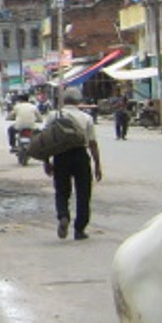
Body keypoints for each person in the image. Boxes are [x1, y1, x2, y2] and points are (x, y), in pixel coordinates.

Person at [43, 86, 102, 241]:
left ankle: (63, 216)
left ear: (64, 100)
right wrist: (97, 165)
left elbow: (45, 141)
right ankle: (79, 229)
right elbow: (92, 143)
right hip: (80, 156)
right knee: (83, 193)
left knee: (61, 191)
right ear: (79, 101)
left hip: (60, 156)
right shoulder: (86, 118)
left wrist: (46, 161)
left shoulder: (53, 115)